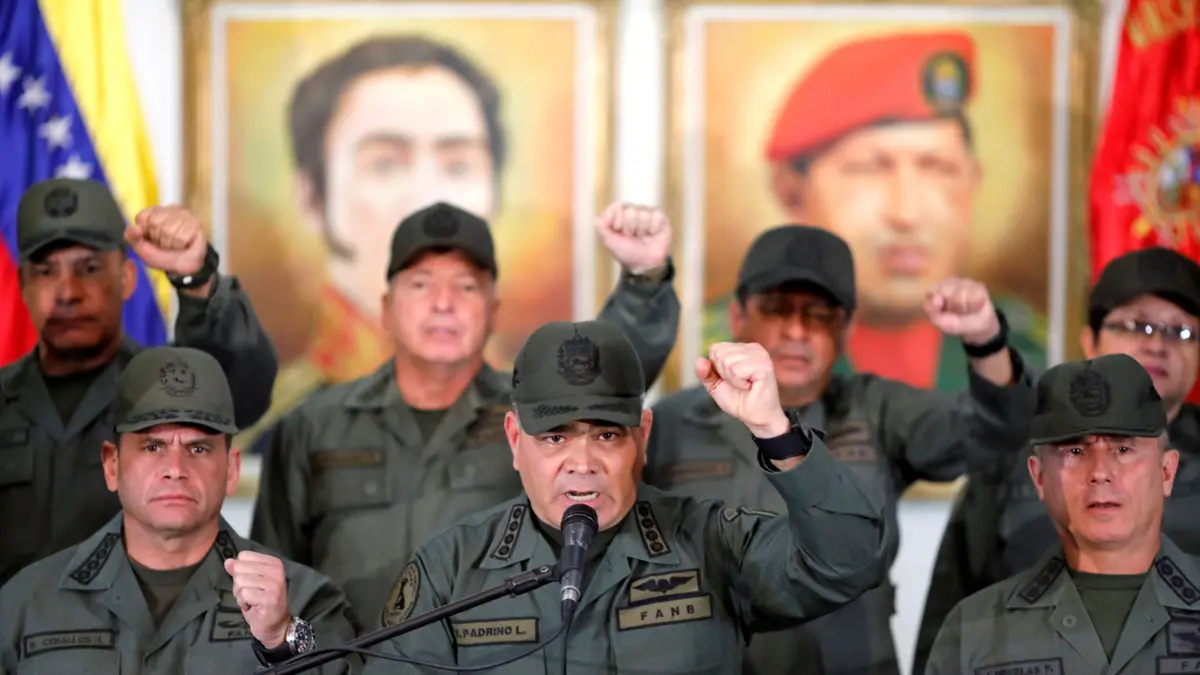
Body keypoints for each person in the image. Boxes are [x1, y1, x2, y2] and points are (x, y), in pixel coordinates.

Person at [361, 318, 895, 674]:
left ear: (642, 437)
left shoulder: (712, 542)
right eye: (555, 438)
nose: (582, 462)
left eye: (607, 435)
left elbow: (847, 563)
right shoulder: (451, 570)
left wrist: (775, 431)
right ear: (514, 440)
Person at [250, 201, 679, 623]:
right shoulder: (313, 426)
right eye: (421, 285)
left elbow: (600, 376)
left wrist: (644, 279)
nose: (443, 303)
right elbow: (274, 582)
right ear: (386, 309)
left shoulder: (538, 420)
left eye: (466, 287)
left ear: (494, 311)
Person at [644, 224, 1032, 675]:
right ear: (737, 315)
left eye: (819, 314)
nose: (797, 330)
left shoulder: (876, 409)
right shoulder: (671, 425)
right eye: (776, 309)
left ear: (847, 329)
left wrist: (986, 340)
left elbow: (998, 428)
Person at [239, 34, 580, 449]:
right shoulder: (279, 432)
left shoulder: (539, 422)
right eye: (384, 164)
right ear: (311, 197)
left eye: (458, 166)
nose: (427, 196)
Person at [703, 31, 1045, 390]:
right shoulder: (718, 350)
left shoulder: (1027, 348)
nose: (907, 215)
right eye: (868, 169)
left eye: (938, 168)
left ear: (973, 183)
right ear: (791, 191)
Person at [913, 246, 1200, 672]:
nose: (1157, 344)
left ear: (1166, 470)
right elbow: (953, 610)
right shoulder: (1015, 453)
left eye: (1180, 331)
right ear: (1089, 338)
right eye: (1137, 325)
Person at [0, 346, 356, 675]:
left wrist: (282, 639)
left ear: (231, 470)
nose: (175, 468)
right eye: (152, 447)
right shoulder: (26, 604)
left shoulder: (305, 600)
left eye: (198, 449)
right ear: (112, 465)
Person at [0, 178, 277, 586]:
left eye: (89, 268)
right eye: (45, 271)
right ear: (22, 285)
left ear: (128, 278)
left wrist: (197, 279)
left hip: (144, 625)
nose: (68, 292)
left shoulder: (166, 391)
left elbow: (246, 389)